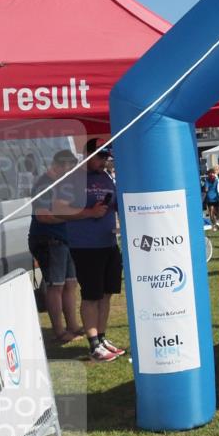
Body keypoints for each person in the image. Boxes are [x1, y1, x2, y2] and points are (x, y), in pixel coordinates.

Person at [28, 150, 107, 344]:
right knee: (56, 286)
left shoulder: (62, 184)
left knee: (70, 284)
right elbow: (43, 216)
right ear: (58, 166)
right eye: (68, 169)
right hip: (48, 239)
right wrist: (80, 215)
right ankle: (59, 331)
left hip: (65, 239)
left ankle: (72, 326)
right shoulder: (44, 184)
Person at [67, 139, 126, 361]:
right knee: (91, 295)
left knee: (106, 293)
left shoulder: (106, 177)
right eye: (100, 156)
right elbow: (60, 211)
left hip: (109, 243)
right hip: (85, 245)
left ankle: (101, 337)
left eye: (106, 157)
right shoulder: (73, 178)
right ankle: (93, 344)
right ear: (87, 154)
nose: (104, 161)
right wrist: (88, 213)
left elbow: (117, 203)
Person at [203, 165, 219, 230]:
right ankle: (214, 224)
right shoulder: (207, 180)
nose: (211, 174)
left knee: (218, 212)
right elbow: (206, 189)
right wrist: (206, 188)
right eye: (210, 173)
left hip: (216, 198)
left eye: (212, 173)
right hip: (210, 198)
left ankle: (216, 222)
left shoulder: (216, 179)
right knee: (211, 211)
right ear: (208, 174)